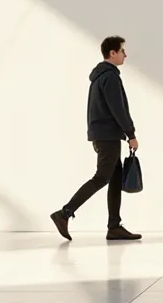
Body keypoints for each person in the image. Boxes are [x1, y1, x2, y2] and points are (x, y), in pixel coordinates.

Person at [50, 35, 142, 241]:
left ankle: (114, 226)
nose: (125, 55)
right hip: (108, 136)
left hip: (103, 135)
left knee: (115, 178)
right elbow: (118, 109)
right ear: (112, 53)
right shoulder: (110, 77)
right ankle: (64, 213)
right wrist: (131, 134)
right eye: (122, 51)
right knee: (102, 177)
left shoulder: (100, 77)